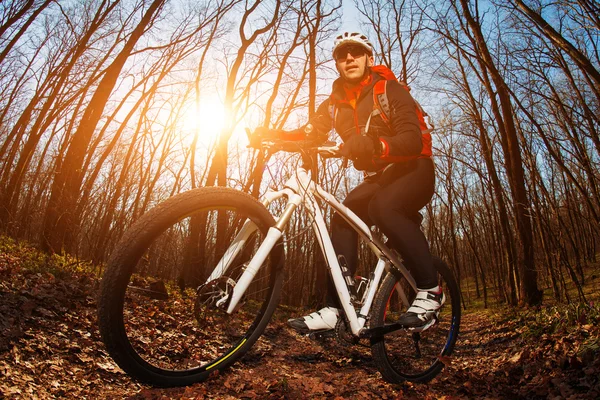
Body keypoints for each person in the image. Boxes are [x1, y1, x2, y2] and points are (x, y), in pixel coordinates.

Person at [257, 32, 443, 331]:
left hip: (414, 169)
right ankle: (336, 307)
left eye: (356, 53)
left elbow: (411, 138)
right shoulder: (334, 104)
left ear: (369, 59)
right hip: (379, 177)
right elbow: (311, 132)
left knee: (384, 208)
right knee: (344, 216)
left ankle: (431, 290)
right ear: (337, 65)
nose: (349, 59)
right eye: (343, 55)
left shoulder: (389, 90)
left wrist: (375, 144)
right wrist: (272, 135)